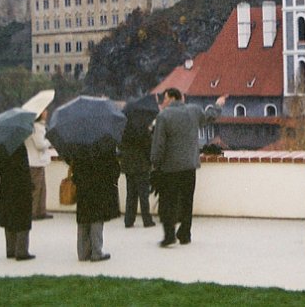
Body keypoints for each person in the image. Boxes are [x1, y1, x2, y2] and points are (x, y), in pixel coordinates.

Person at [150, 88, 225, 247]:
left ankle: (169, 235)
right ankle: (185, 234)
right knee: (186, 200)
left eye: (164, 99)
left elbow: (159, 144)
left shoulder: (163, 116)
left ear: (170, 98)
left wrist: (155, 163)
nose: (163, 103)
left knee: (168, 202)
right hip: (190, 166)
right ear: (181, 97)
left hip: (169, 167)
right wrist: (218, 105)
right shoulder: (194, 110)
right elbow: (210, 117)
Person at [72, 138, 120, 261]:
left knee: (83, 217)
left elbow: (72, 161)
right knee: (97, 217)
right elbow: (112, 164)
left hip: (83, 184)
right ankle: (96, 251)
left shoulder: (78, 140)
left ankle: (82, 251)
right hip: (100, 183)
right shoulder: (105, 140)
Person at [121, 97, 157, 228]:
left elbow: (121, 146)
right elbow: (148, 146)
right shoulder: (142, 129)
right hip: (141, 164)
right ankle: (147, 219)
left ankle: (128, 220)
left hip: (128, 163)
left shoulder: (124, 128)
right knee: (143, 194)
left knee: (131, 193)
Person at [0, 143, 35, 260]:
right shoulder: (19, 147)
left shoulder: (1, 148)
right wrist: (30, 185)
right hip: (20, 189)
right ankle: (21, 251)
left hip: (6, 188)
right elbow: (23, 170)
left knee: (8, 217)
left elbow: (0, 167)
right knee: (22, 218)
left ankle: (10, 249)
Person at [25, 111, 52, 220]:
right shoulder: (37, 128)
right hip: (36, 161)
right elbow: (40, 145)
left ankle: (41, 210)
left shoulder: (34, 126)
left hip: (36, 161)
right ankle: (33, 212)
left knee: (41, 188)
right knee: (36, 188)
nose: (46, 113)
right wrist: (50, 141)